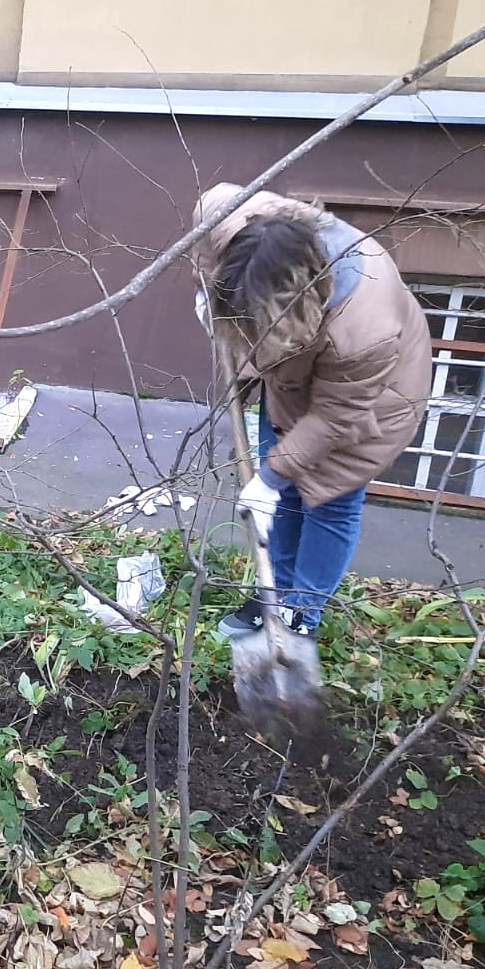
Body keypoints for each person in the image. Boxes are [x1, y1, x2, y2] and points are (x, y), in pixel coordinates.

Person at [191, 182, 432, 653]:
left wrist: (270, 479)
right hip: (289, 375)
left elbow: (335, 417)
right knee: (281, 490)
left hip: (370, 398)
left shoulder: (366, 329)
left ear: (306, 298)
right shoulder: (230, 216)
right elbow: (205, 252)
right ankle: (273, 596)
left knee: (327, 499)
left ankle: (302, 611)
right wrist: (212, 299)